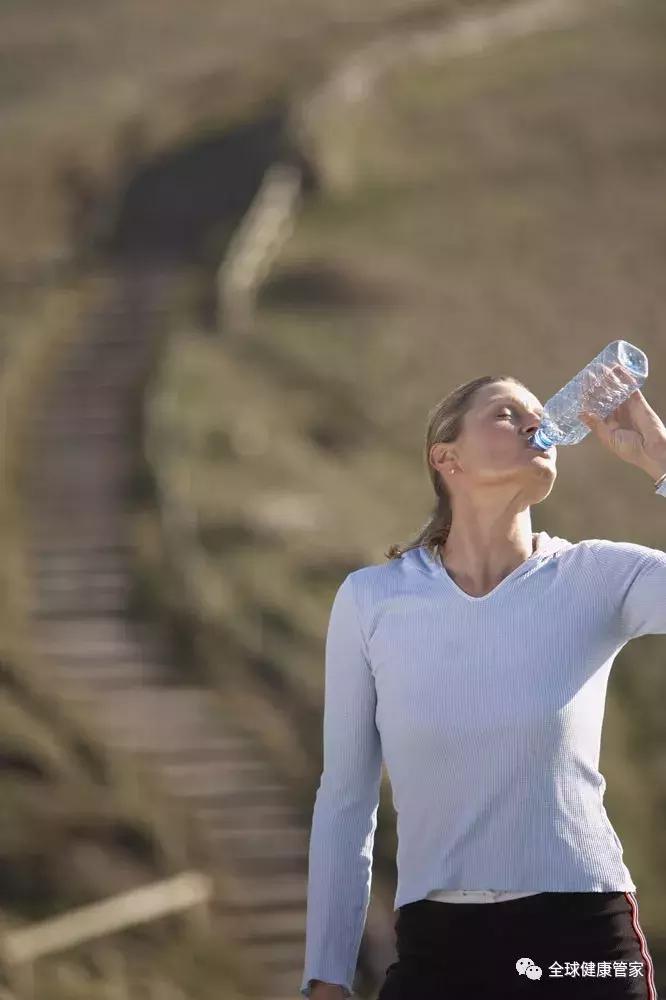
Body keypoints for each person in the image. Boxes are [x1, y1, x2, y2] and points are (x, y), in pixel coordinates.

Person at [300, 372, 666, 999]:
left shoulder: (600, 576)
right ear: (446, 457)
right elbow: (344, 801)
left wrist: (660, 455)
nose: (536, 423)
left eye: (537, 413)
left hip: (581, 940)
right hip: (438, 947)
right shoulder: (371, 600)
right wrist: (327, 974)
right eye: (505, 414)